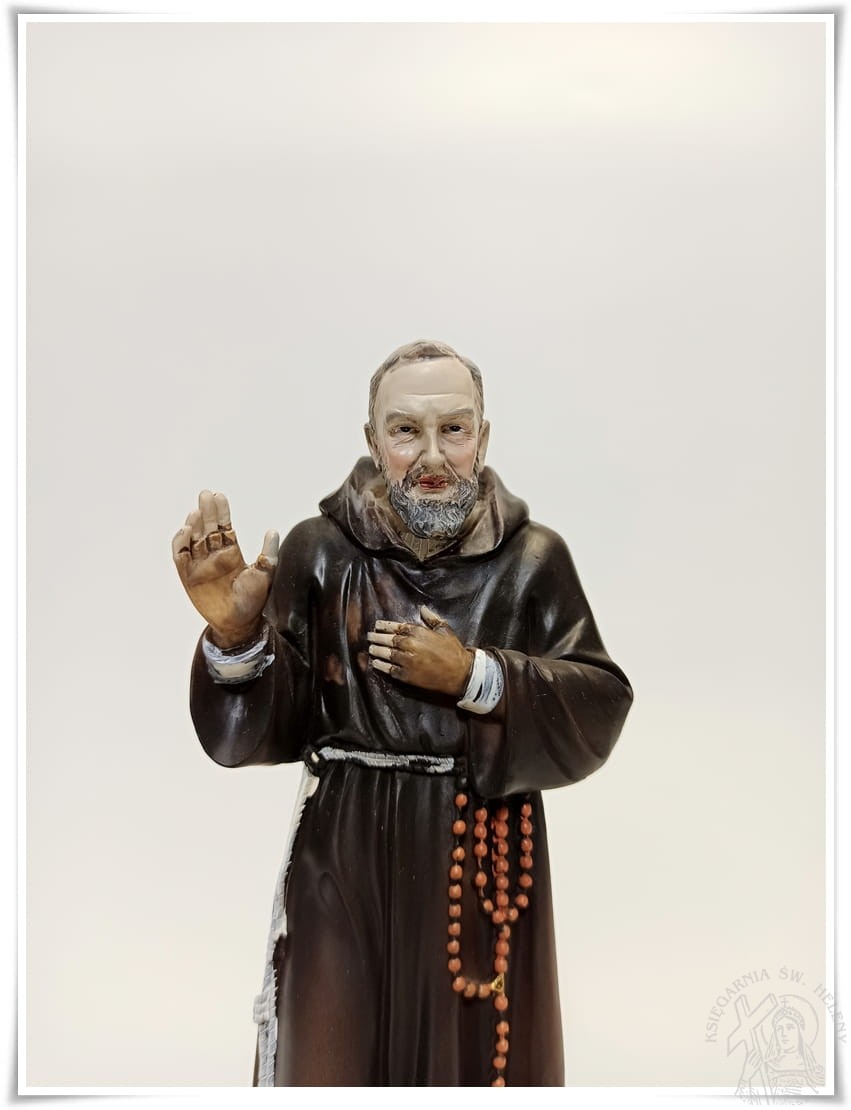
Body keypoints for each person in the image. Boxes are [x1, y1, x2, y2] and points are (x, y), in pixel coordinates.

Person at [172, 340, 633, 1086]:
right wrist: (236, 636)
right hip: (344, 848)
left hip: (479, 846)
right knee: (332, 1040)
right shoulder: (322, 553)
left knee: (471, 1053)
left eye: (453, 429)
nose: (432, 455)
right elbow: (271, 723)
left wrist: (475, 676)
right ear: (372, 438)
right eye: (406, 431)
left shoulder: (531, 560)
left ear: (484, 435)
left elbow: (600, 700)